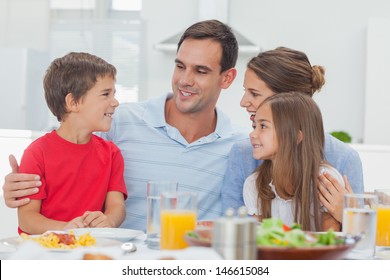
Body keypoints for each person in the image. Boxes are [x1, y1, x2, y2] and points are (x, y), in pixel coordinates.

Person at [2, 20, 247, 231]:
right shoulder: (119, 122)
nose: (184, 80)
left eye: (200, 71)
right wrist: (20, 185)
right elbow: (65, 144)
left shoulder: (240, 147)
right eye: (180, 66)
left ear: (227, 78)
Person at [222, 47, 364, 222]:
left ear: (288, 100)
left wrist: (348, 216)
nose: (243, 102)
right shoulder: (243, 154)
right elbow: (233, 228)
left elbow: (359, 238)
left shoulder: (344, 158)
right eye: (245, 91)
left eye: (254, 93)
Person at [16, 52, 127, 234]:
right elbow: (27, 218)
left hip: (89, 248)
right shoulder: (37, 153)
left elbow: (117, 206)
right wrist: (65, 230)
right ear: (73, 102)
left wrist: (109, 220)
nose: (115, 102)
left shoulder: (111, 153)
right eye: (106, 94)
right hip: (43, 253)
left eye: (114, 94)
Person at [244, 91, 345, 231]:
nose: (252, 134)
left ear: (296, 137)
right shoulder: (254, 183)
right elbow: (262, 242)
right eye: (254, 126)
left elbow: (328, 243)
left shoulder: (324, 180)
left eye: (263, 126)